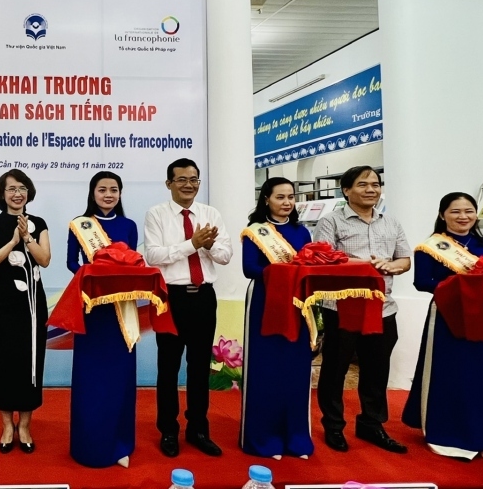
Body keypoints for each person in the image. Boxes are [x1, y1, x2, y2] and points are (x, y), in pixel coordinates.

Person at [401, 192, 483, 462]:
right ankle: (452, 433)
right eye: (455, 211)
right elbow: (422, 282)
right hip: (449, 316)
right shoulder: (429, 247)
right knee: (454, 373)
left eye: (469, 211)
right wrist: (459, 287)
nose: (463, 216)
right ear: (442, 215)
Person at [314, 165, 411, 454]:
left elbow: (404, 259)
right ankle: (333, 425)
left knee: (377, 369)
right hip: (342, 306)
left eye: (375, 184)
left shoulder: (390, 222)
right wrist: (367, 264)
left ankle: (372, 424)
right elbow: (323, 259)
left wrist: (392, 266)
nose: (371, 189)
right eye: (363, 184)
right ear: (346, 190)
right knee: (336, 369)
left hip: (382, 307)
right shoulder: (331, 221)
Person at [145, 157, 231, 458]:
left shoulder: (210, 214)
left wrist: (208, 245)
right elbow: (153, 256)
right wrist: (192, 243)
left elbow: (225, 255)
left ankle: (198, 429)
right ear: (169, 183)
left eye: (194, 179)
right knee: (168, 368)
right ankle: (168, 430)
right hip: (171, 299)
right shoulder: (156, 214)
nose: (188, 185)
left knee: (199, 367)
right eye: (181, 179)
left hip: (204, 298)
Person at [66, 171, 138, 468]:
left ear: (120, 193)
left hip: (121, 309)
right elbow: (72, 262)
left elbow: (133, 261)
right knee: (91, 377)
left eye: (114, 190)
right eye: (102, 189)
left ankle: (119, 444)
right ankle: (88, 443)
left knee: (120, 375)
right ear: (92, 193)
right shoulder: (79, 225)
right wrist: (92, 279)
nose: (108, 195)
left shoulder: (129, 226)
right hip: (93, 309)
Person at [239, 177, 314, 460]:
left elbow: (309, 265)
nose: (287, 202)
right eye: (280, 197)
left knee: (295, 369)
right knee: (266, 370)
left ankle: (296, 438)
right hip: (264, 300)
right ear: (266, 199)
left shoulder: (302, 232)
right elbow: (249, 268)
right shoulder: (255, 231)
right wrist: (284, 273)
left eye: (290, 197)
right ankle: (264, 438)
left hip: (297, 303)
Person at [0, 169, 51, 454]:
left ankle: (24, 425)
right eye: (11, 189)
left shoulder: (39, 223)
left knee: (30, 362)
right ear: (2, 193)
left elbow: (45, 260)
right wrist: (12, 241)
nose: (17, 193)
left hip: (32, 305)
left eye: (22, 188)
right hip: (1, 304)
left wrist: (27, 237)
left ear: (28, 192)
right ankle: (7, 426)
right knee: (2, 363)